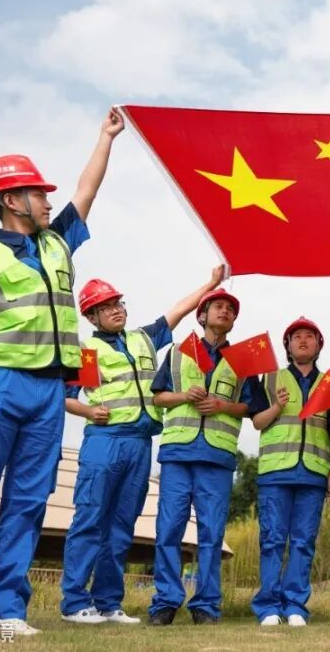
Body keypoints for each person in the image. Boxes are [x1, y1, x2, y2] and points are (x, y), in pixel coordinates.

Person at [0, 108, 124, 636]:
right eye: (39, 193)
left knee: (29, 501)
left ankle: (8, 610)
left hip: (48, 393)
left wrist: (105, 138)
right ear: (12, 200)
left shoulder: (56, 242)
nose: (47, 201)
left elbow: (86, 191)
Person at [59, 266, 225, 625]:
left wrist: (211, 284)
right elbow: (65, 397)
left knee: (122, 525)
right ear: (91, 317)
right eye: (106, 307)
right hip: (105, 441)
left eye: (118, 303)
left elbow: (178, 311)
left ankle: (108, 603)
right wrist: (88, 411)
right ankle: (74, 602)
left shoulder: (143, 339)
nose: (115, 310)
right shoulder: (87, 351)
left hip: (140, 444)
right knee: (90, 519)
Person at [147, 288, 248, 626]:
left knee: (211, 534)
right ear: (201, 316)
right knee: (168, 530)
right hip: (178, 453)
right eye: (218, 306)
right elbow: (158, 397)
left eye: (230, 309)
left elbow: (251, 407)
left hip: (217, 456)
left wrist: (222, 405)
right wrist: (183, 396)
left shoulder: (243, 359)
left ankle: (205, 605)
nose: (225, 311)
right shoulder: (178, 351)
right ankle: (165, 602)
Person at [247, 317, 330, 627]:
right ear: (287, 346)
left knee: (303, 542)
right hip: (276, 473)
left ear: (319, 345)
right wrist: (276, 406)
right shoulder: (270, 378)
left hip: (313, 474)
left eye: (309, 336)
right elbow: (257, 422)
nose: (303, 340)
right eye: (296, 336)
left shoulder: (329, 383)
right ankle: (268, 607)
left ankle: (295, 607)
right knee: (272, 540)